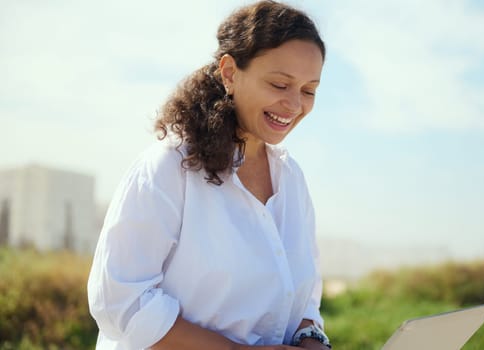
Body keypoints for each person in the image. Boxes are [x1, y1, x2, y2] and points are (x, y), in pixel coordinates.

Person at [87, 1, 330, 349]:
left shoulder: (292, 179)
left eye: (309, 90)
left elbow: (304, 296)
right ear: (229, 73)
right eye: (279, 84)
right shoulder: (169, 167)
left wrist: (311, 339)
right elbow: (122, 302)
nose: (294, 105)